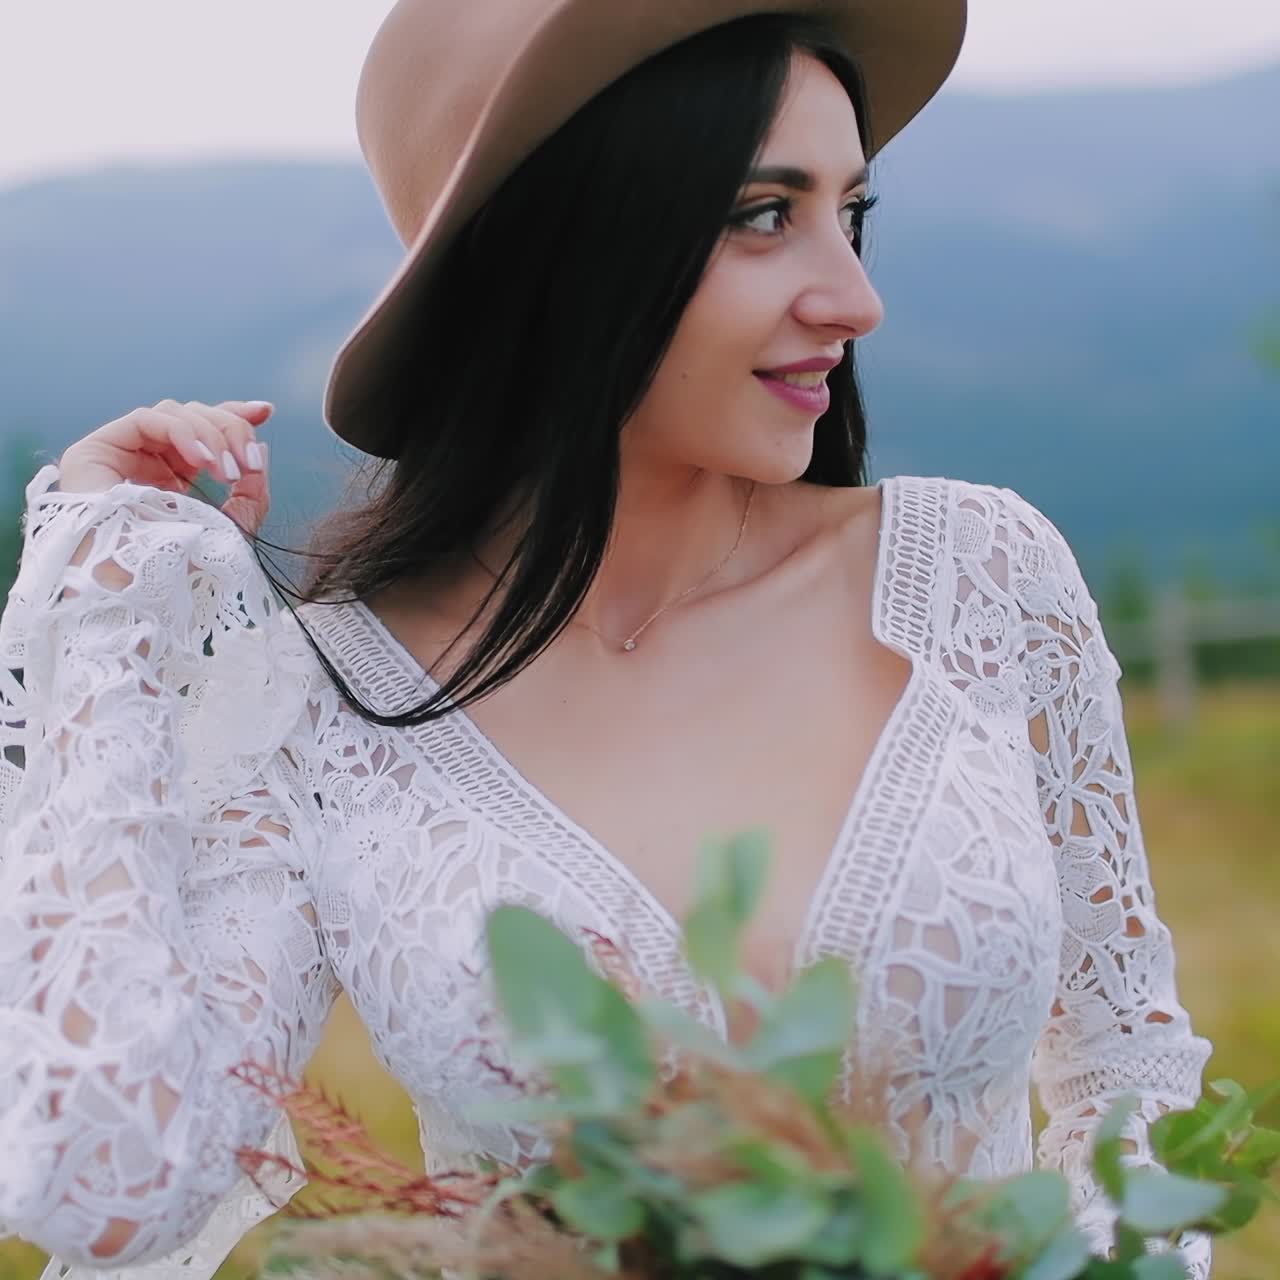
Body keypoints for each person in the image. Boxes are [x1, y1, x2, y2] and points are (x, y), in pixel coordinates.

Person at [0, 1, 1214, 1277]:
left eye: (849, 214)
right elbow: (118, 1178)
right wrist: (106, 598)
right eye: (762, 214)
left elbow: (1123, 1068)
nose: (855, 299)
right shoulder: (323, 702)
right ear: (564, 249)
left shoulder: (980, 577)